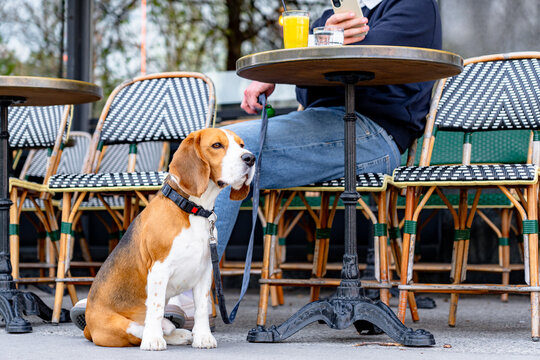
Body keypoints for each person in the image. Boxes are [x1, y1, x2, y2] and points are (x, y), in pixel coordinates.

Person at [72, 0, 442, 331]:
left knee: (226, 154)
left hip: (377, 134)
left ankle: (176, 299)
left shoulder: (411, 5)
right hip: (325, 122)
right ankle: (134, 295)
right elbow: (308, 91)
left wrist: (323, 46)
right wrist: (320, 46)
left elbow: (380, 61)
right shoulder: (332, 16)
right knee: (224, 155)